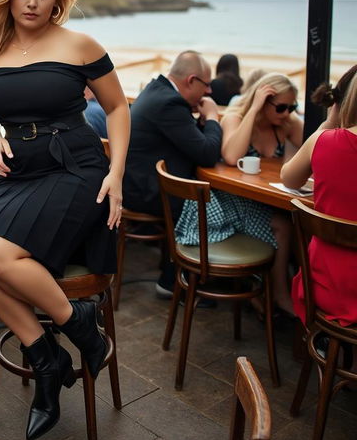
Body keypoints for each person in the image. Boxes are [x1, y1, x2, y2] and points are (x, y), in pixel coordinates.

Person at [0, 0, 130, 440]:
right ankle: (46, 357)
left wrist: (116, 172)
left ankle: (78, 323)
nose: (32, 2)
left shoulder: (79, 44)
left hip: (75, 165)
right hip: (19, 168)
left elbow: (116, 107)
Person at [176, 72, 303, 315]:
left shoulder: (285, 123)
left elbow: (316, 146)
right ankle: (278, 294)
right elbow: (233, 157)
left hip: (262, 199)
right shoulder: (235, 118)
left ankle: (271, 289)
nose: (287, 113)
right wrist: (254, 109)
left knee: (300, 225)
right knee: (284, 226)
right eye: (282, 107)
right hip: (229, 201)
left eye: (292, 107)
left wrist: (293, 117)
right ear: (263, 101)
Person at [123, 51, 222, 298]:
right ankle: (178, 279)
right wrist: (213, 117)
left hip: (134, 184)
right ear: (191, 80)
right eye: (206, 85)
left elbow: (188, 138)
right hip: (146, 192)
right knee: (215, 204)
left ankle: (183, 273)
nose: (209, 92)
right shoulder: (170, 103)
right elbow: (207, 152)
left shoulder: (157, 90)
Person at [282, 66, 357, 327]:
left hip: (323, 285)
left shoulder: (323, 141)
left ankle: (328, 347)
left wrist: (328, 123)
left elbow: (289, 179)